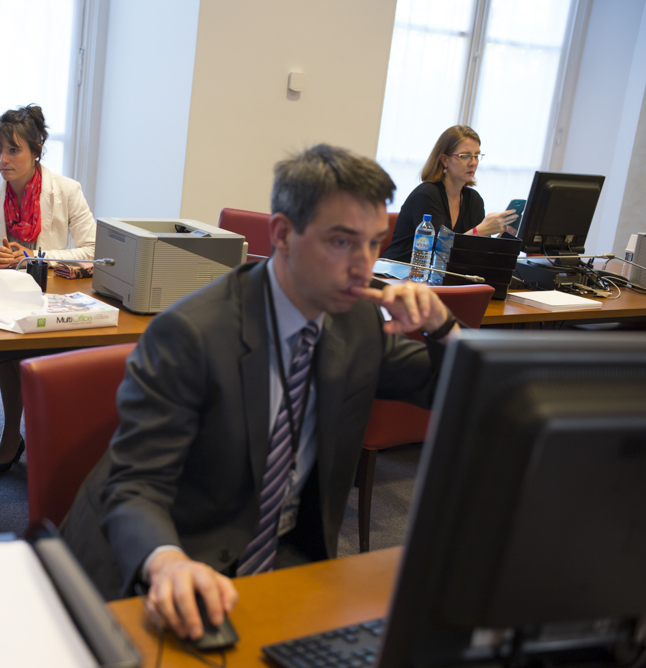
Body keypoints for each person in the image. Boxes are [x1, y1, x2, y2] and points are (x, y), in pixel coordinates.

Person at [61, 144, 461, 642]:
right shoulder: (192, 334)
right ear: (282, 234)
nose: (364, 266)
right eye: (342, 242)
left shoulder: (355, 322)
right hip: (170, 564)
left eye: (375, 243)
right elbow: (134, 485)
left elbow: (458, 394)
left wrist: (444, 328)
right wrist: (166, 564)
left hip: (285, 558)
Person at [0, 104, 95, 476]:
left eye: (13, 150)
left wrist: (35, 256)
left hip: (56, 292)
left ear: (37, 149)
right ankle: (12, 435)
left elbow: (93, 250)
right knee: (10, 338)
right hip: (8, 294)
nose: (3, 159)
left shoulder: (67, 190)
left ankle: (60, 439)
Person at [381, 125, 518, 263]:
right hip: (399, 274)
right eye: (465, 156)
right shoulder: (426, 195)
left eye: (476, 156)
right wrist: (479, 231)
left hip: (443, 278)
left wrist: (502, 238)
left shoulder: (474, 200)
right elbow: (438, 254)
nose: (473, 163)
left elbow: (477, 254)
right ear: (445, 160)